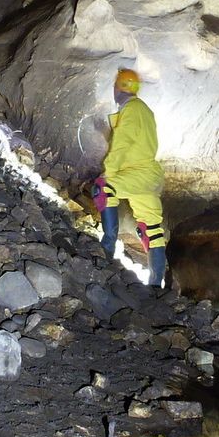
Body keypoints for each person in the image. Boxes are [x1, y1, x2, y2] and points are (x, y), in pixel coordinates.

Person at [97, 68, 169, 288]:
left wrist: (108, 171)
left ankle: (105, 254)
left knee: (103, 189)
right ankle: (156, 286)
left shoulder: (132, 109)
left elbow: (123, 141)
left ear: (119, 88)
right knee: (152, 230)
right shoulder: (144, 109)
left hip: (138, 173)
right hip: (148, 176)